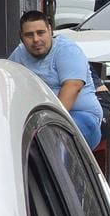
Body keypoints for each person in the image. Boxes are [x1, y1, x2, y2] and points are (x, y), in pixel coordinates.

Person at [8, 10, 103, 149]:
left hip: (82, 117)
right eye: (29, 35)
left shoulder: (67, 50)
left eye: (40, 32)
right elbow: (5, 82)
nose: (36, 39)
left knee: (54, 137)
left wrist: (48, 122)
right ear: (21, 37)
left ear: (50, 31)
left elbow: (73, 86)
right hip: (38, 120)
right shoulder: (19, 54)